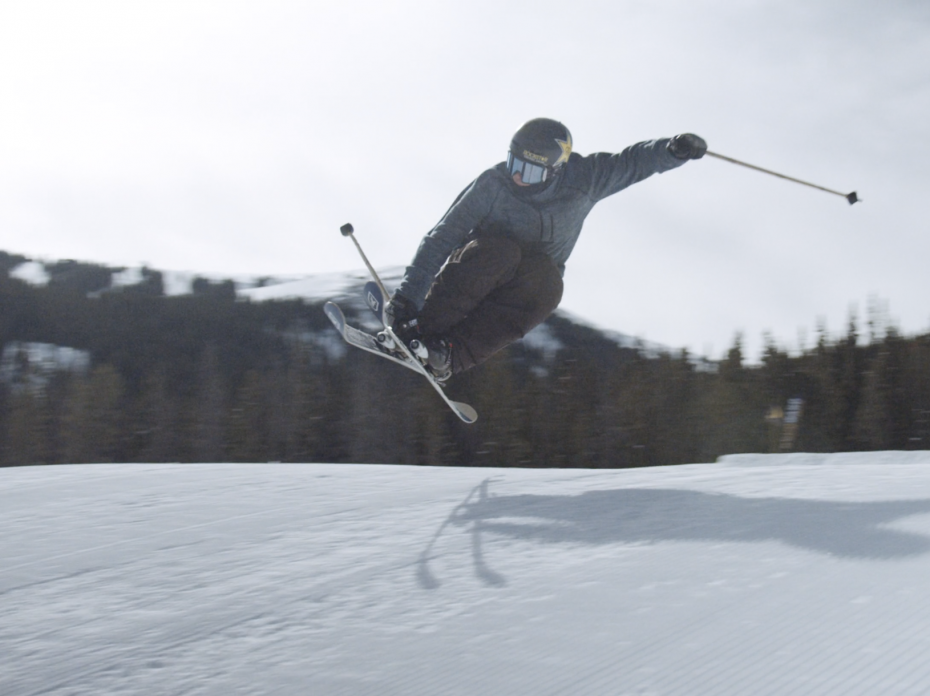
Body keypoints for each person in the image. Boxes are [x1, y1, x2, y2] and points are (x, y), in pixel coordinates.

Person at [387, 118, 706, 382]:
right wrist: (407, 300)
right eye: (514, 163)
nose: (517, 176)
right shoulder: (493, 185)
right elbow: (442, 238)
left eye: (529, 171)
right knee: (501, 253)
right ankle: (420, 331)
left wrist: (672, 150)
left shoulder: (585, 178)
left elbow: (633, 162)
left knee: (550, 284)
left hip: (525, 284)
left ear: (555, 170)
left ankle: (448, 355)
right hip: (481, 263)